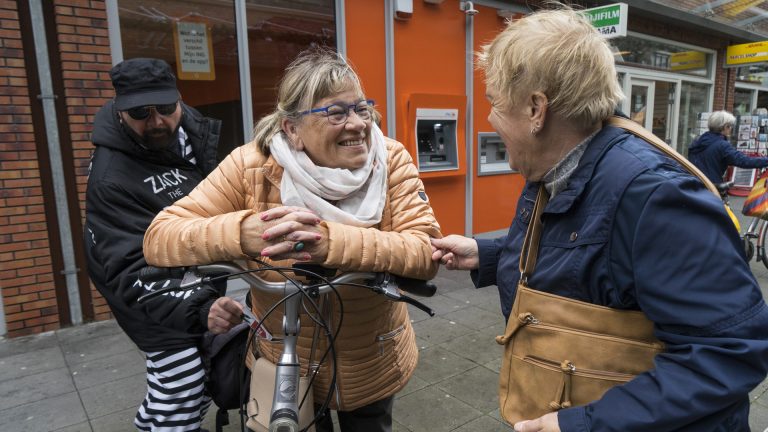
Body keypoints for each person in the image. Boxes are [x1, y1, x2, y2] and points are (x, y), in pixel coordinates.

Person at [430, 6, 768, 432]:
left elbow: (728, 350)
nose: (489, 118)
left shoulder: (654, 195)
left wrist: (581, 425)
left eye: (494, 102)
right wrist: (489, 254)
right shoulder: (561, 166)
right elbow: (594, 259)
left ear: (536, 109)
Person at [143, 47, 441, 432]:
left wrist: (330, 242)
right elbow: (160, 236)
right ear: (292, 129)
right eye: (336, 113)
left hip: (372, 355)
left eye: (361, 108)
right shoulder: (250, 166)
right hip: (284, 355)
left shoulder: (390, 159)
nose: (357, 124)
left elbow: (425, 252)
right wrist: (242, 233)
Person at [84, 58, 222, 431]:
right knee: (182, 378)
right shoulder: (110, 178)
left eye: (164, 107)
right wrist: (199, 307)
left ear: (178, 99)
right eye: (140, 113)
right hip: (139, 278)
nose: (157, 121)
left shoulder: (190, 126)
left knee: (207, 368)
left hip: (190, 263)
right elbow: (127, 265)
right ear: (120, 111)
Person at [688, 110, 768, 184]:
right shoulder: (722, 145)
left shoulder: (697, 141)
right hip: (711, 187)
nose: (731, 129)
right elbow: (743, 161)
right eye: (730, 126)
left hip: (693, 185)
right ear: (725, 127)